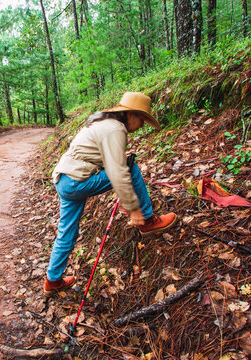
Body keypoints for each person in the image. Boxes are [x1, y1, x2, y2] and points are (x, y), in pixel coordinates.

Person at [44, 92, 178, 297]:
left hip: (64, 180)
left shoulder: (103, 123)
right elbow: (117, 172)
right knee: (130, 169)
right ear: (131, 114)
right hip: (75, 180)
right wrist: (134, 208)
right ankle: (148, 221)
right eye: (142, 119)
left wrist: (125, 194)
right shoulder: (116, 129)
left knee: (66, 234)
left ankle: (53, 280)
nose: (142, 125)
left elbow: (103, 159)